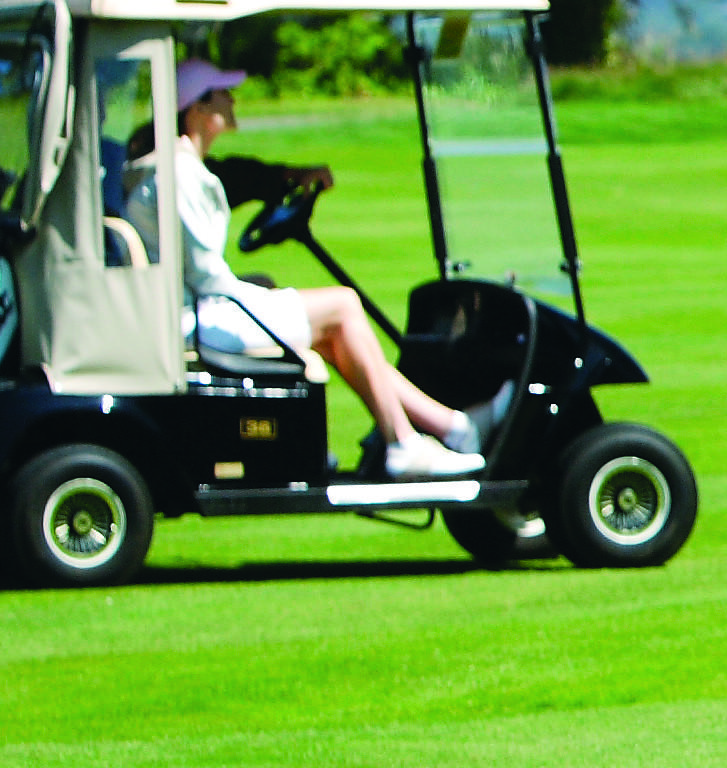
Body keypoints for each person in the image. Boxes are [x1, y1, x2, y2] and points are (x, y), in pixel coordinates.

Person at [160, 61, 510, 478]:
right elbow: (205, 274)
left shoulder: (184, 166)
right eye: (221, 93)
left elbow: (235, 190)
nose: (232, 100)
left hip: (201, 310)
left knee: (338, 334)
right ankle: (404, 443)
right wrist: (261, 297)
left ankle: (453, 427)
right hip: (202, 318)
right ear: (198, 109)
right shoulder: (183, 173)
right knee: (343, 306)